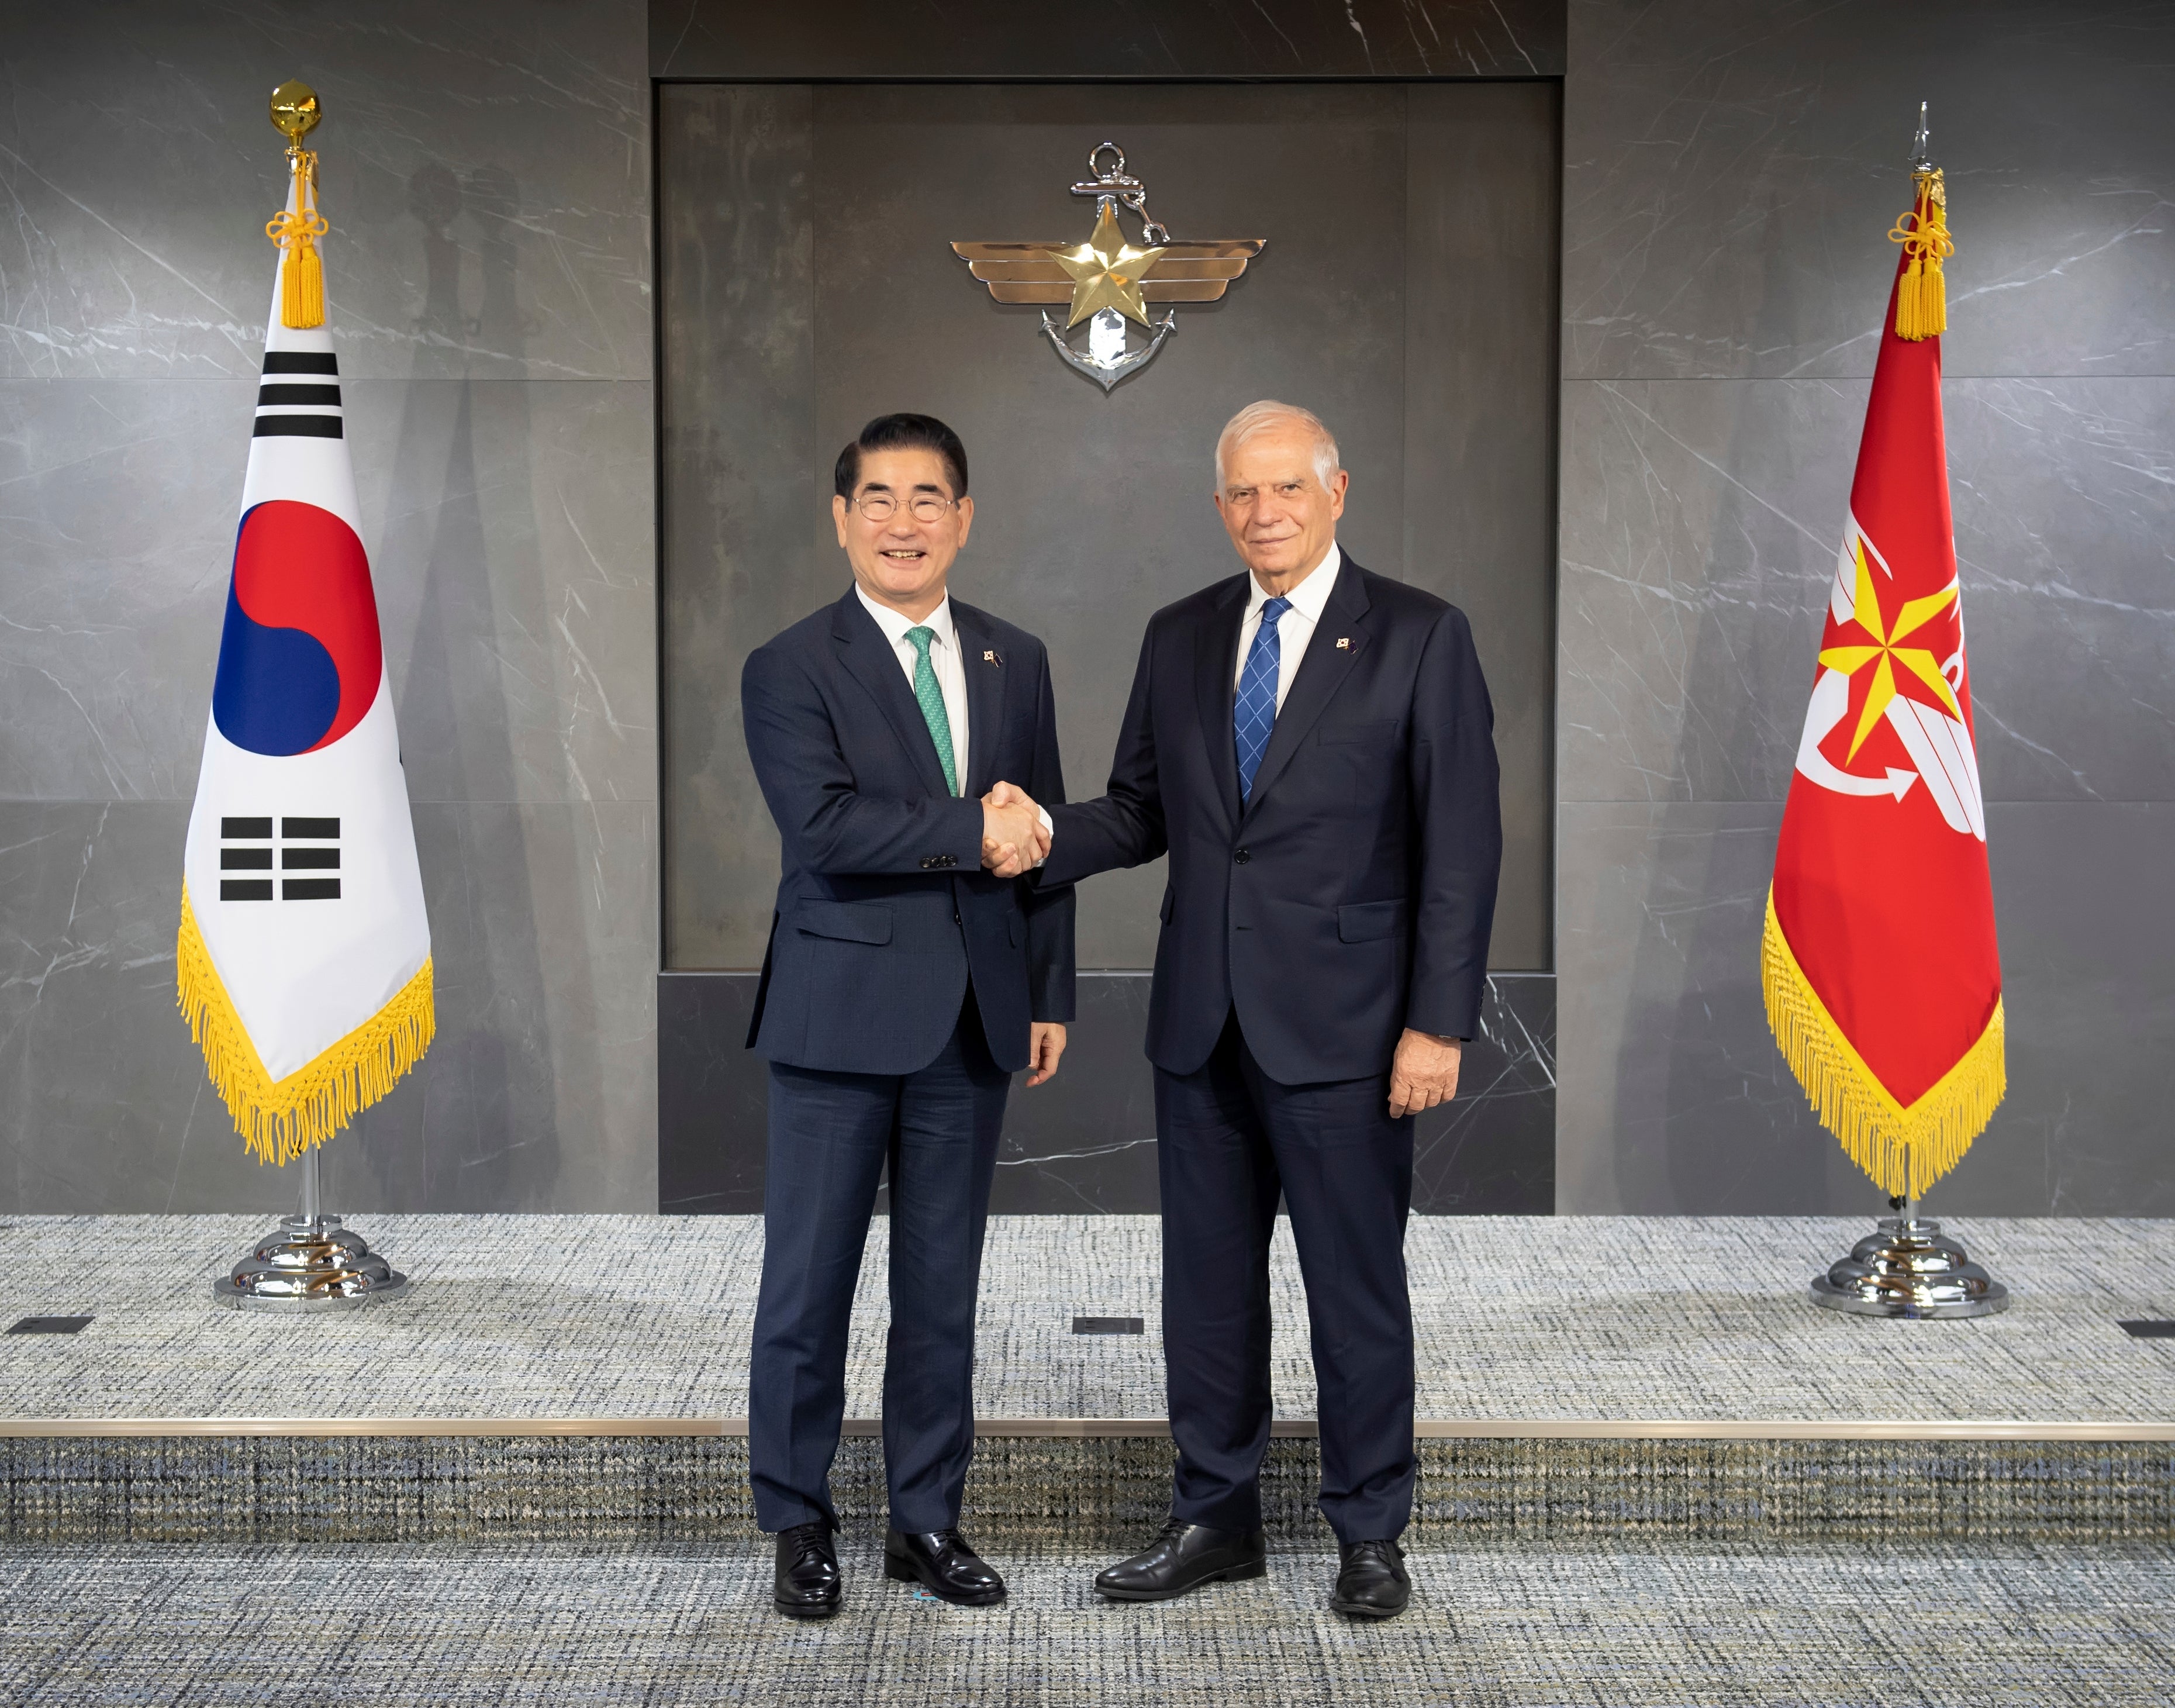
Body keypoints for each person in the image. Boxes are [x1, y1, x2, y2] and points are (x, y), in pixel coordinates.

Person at [989, 399, 1500, 1620]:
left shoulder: (1421, 636)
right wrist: (1035, 833)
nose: (1263, 514)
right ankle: (1214, 1516)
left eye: (1286, 490)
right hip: (1202, 1023)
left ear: (1335, 493)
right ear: (1220, 507)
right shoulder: (1182, 634)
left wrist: (1439, 1025)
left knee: (1354, 1290)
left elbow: (1462, 847)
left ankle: (1370, 1533)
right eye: (1241, 495)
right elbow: (1143, 809)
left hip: (1355, 1034)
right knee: (1207, 1292)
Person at [740, 412, 1072, 1619]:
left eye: (927, 498)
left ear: (963, 519)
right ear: (842, 520)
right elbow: (824, 826)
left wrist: (1048, 988)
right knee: (808, 1287)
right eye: (877, 499)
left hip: (975, 1021)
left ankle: (925, 1522)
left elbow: (1039, 835)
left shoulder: (1013, 657)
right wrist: (964, 832)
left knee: (941, 1292)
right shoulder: (789, 664)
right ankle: (799, 1522)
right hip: (837, 1022)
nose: (902, 522)